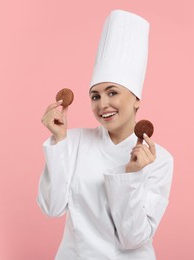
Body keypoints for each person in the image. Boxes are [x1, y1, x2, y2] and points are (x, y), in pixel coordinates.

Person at [37, 9, 174, 259]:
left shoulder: (159, 160)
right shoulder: (73, 141)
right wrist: (58, 141)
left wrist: (132, 176)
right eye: (95, 96)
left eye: (112, 93)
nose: (102, 105)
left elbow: (133, 239)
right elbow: (52, 208)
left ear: (136, 99)